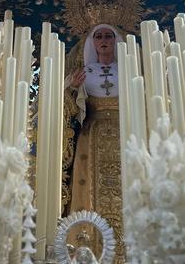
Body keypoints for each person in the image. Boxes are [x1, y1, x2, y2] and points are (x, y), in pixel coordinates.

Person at [64, 23, 124, 262]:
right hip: (92, 136)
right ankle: (87, 251)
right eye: (98, 36)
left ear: (116, 41)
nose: (103, 40)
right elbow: (66, 111)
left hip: (124, 133)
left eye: (108, 35)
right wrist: (72, 89)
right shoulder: (82, 74)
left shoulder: (129, 70)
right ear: (92, 43)